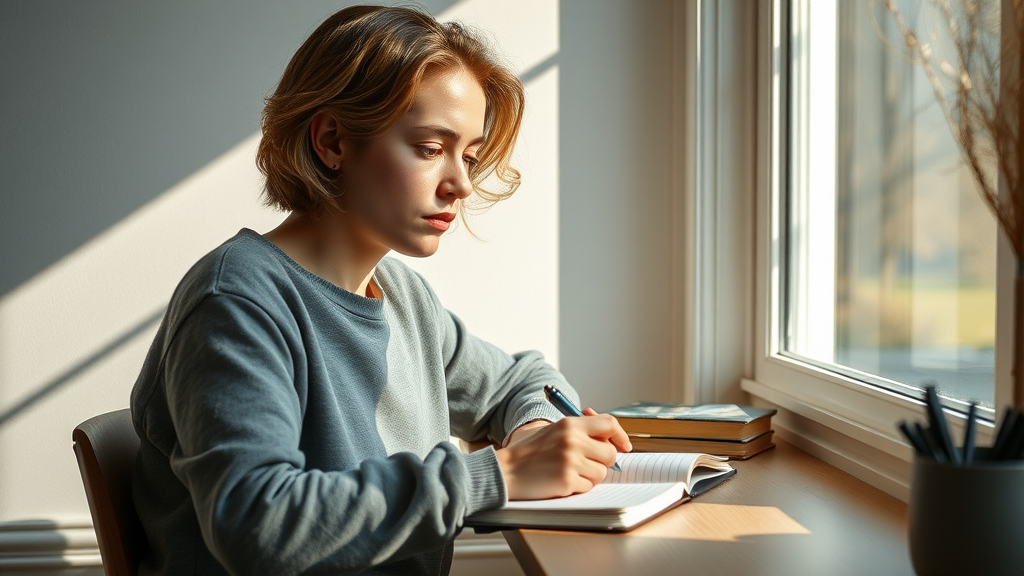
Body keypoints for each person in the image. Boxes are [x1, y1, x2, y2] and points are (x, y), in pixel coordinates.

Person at [129, 5, 631, 575]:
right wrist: (506, 474)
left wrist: (536, 431)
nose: (461, 184)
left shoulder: (401, 295)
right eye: (429, 148)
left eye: (468, 155)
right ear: (333, 140)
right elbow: (257, 524)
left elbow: (521, 380)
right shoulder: (236, 299)